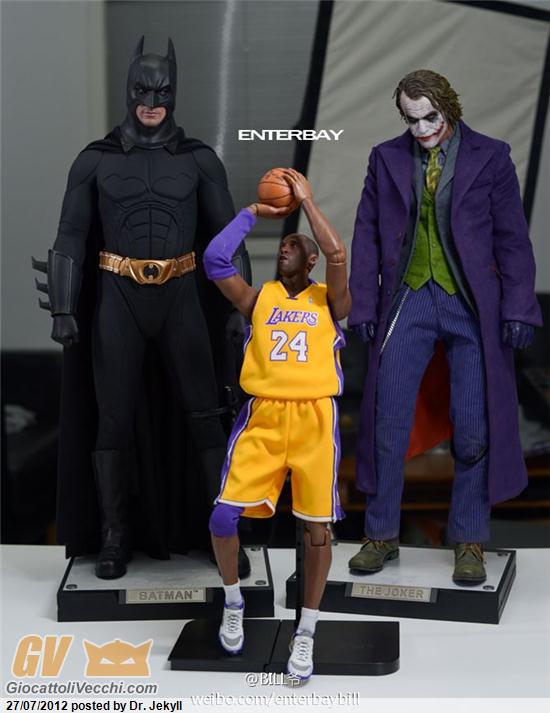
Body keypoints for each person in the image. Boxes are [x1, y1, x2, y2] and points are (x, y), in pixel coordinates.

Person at [36, 37, 252, 580]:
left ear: (174, 93)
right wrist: (63, 307)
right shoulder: (95, 160)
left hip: (181, 293)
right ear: (128, 90)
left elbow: (227, 238)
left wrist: (241, 307)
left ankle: (222, 534)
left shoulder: (199, 160)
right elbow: (70, 235)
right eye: (141, 90)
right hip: (118, 294)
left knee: (207, 416)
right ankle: (114, 536)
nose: (151, 101)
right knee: (112, 419)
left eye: (161, 91)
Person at [347, 69, 542, 585]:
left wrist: (519, 307)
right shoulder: (385, 158)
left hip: (469, 304)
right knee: (386, 421)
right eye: (410, 120)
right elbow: (366, 235)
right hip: (408, 299)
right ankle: (381, 533)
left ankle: (469, 538)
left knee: (473, 427)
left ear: (449, 107)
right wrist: (362, 306)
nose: (421, 129)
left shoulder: (491, 156)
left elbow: (512, 238)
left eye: (429, 117)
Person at [203, 169, 351, 681]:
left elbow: (338, 254)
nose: (284, 248)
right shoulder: (258, 298)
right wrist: (252, 213)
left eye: (294, 245)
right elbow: (215, 260)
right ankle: (233, 601)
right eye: (282, 244)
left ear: (310, 260)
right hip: (264, 416)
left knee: (317, 530)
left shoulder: (330, 301)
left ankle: (306, 630)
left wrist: (306, 202)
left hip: (314, 418)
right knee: (223, 518)